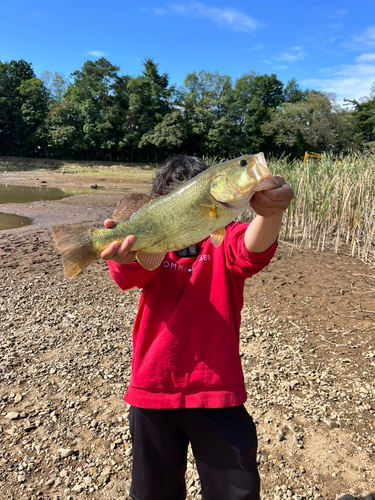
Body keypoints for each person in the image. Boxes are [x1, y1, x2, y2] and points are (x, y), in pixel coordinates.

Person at [100, 155, 294, 500]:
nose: (250, 165)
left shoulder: (226, 235)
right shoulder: (154, 245)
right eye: (243, 164)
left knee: (236, 492)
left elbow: (251, 250)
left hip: (217, 390)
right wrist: (122, 255)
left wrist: (271, 212)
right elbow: (129, 275)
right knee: (153, 493)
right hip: (153, 389)